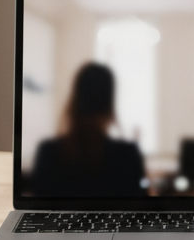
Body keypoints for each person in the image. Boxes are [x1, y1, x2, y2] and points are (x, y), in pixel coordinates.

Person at [28, 62, 148, 197]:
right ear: (109, 105)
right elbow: (139, 202)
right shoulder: (127, 155)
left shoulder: (48, 153)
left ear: (74, 100)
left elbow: (38, 200)